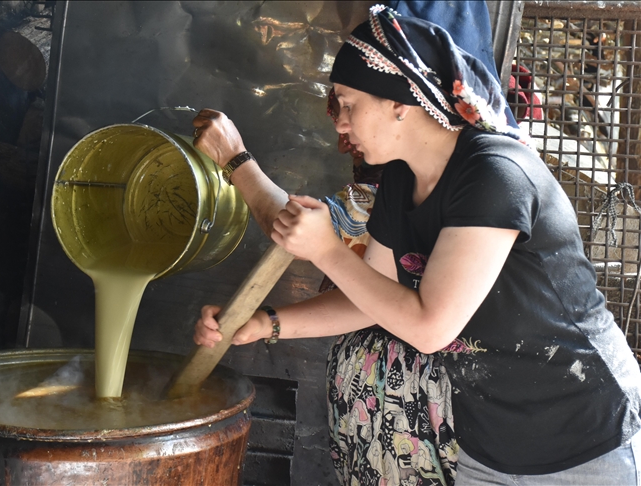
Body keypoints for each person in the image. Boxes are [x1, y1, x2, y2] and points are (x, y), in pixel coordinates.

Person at [193, 5, 641, 485]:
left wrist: (327, 251)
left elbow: (430, 326)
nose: (339, 124)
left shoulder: (494, 173)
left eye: (347, 105)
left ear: (398, 103)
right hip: (490, 442)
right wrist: (267, 324)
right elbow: (373, 301)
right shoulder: (401, 180)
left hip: (583, 432)